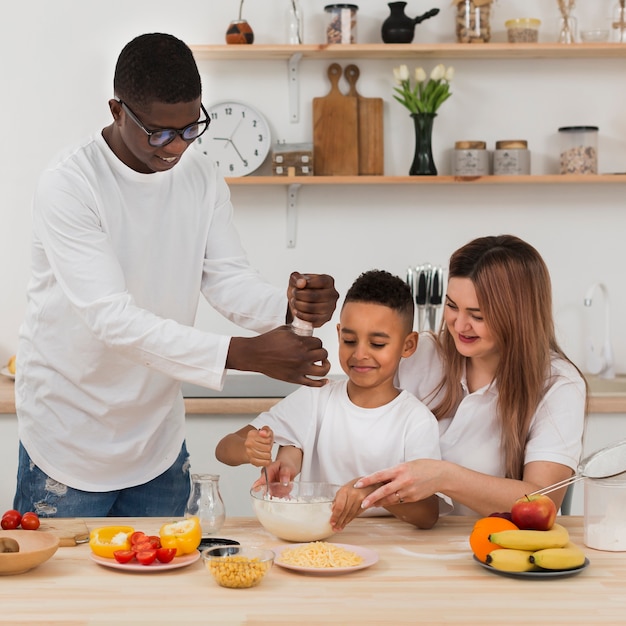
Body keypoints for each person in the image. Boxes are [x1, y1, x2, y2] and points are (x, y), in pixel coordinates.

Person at [13, 33, 338, 518]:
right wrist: (243, 354)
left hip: (156, 441)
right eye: (160, 133)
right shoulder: (71, 184)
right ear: (117, 110)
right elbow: (112, 320)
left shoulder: (200, 177)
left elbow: (227, 280)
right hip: (69, 440)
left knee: (169, 590)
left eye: (191, 128)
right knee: (66, 594)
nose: (178, 147)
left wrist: (290, 307)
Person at [354, 235, 586, 518]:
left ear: (518, 315)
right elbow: (343, 408)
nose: (460, 325)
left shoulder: (558, 385)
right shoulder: (419, 354)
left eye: (477, 315)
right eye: (452, 306)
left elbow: (542, 502)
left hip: (496, 549)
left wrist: (444, 477)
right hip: (403, 540)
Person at [216, 269, 443, 531]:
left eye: (377, 344)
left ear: (408, 345)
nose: (360, 354)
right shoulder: (315, 399)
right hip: (318, 544)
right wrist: (248, 449)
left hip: (389, 549)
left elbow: (427, 514)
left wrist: (373, 491)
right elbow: (224, 449)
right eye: (349, 340)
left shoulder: (416, 421)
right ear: (338, 334)